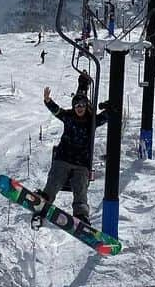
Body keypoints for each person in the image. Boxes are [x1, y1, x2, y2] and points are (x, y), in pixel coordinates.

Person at [37, 78, 113, 224]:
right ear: (74, 107)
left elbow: (106, 116)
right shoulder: (69, 117)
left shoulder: (91, 121)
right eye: (77, 105)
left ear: (86, 107)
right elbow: (57, 111)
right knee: (55, 179)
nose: (80, 108)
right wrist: (48, 101)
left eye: (83, 105)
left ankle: (81, 214)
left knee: (80, 187)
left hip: (81, 162)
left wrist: (110, 107)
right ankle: (45, 200)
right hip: (64, 157)